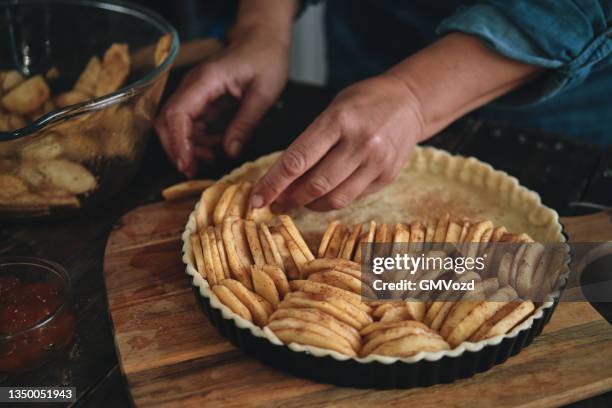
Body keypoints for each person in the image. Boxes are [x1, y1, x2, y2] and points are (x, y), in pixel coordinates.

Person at [155, 0, 612, 213]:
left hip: (555, 108)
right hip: (369, 48)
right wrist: (262, 27)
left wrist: (414, 96)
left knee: (538, 284)